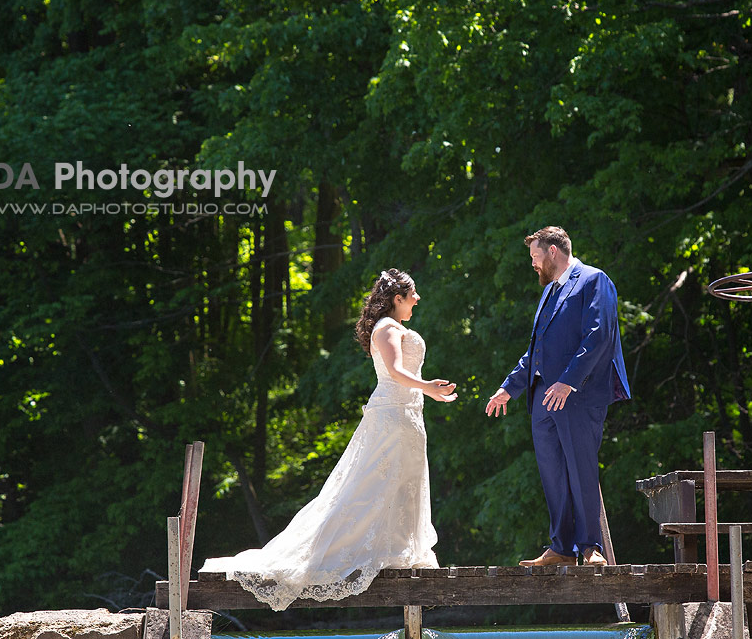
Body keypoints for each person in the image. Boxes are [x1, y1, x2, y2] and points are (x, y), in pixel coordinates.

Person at [202, 269, 457, 609]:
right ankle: (357, 550)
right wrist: (427, 386)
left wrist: (426, 394)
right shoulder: (387, 328)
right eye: (413, 294)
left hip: (409, 414)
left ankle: (400, 549)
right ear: (398, 299)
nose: (417, 299)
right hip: (393, 415)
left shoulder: (395, 327)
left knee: (405, 481)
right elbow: (395, 370)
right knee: (373, 483)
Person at [485, 226, 631, 566]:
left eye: (536, 256)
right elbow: (535, 351)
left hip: (576, 396)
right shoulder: (549, 291)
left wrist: (569, 382)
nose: (533, 264)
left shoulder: (595, 281)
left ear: (553, 252)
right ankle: (562, 548)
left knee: (581, 468)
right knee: (552, 472)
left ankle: (590, 548)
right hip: (542, 400)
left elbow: (598, 335)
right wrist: (509, 387)